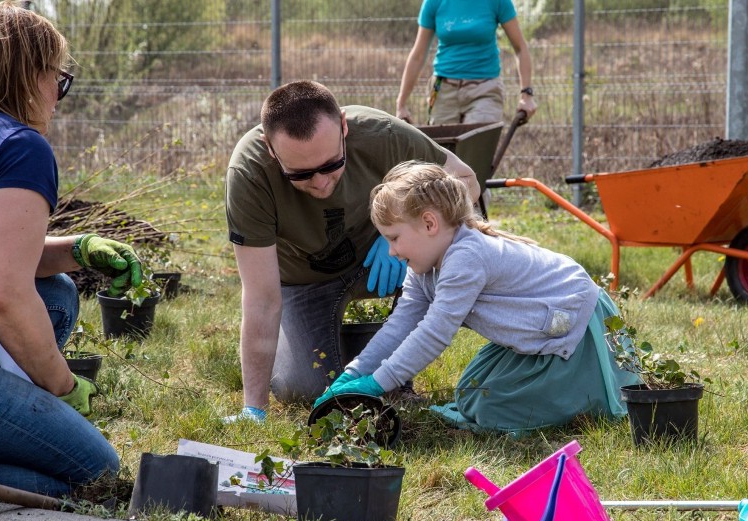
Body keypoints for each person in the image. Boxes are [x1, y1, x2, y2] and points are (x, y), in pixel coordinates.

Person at [314, 161, 642, 433]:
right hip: (540, 327)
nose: (392, 251)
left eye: (395, 238)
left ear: (429, 223)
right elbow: (400, 325)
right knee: (472, 393)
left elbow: (435, 332)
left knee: (494, 408)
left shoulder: (466, 257)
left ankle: (587, 393)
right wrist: (354, 374)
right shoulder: (425, 265)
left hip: (574, 325)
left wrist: (378, 384)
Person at [224, 80, 480, 422]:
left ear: (344, 127)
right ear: (270, 149)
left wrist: (403, 230)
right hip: (304, 279)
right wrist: (253, 407)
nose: (320, 182)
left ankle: (393, 372)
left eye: (331, 164)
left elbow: (466, 182)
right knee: (301, 388)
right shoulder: (248, 174)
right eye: (300, 174)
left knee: (446, 242)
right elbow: (261, 299)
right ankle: (361, 356)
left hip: (388, 259)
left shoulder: (383, 135)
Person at [0, 0, 143, 496]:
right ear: (29, 75)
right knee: (98, 474)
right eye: (58, 79)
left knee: (58, 292)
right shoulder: (19, 146)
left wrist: (79, 248)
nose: (58, 95)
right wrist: (63, 385)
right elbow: (4, 293)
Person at [395, 0, 537, 126]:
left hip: (484, 90)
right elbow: (418, 56)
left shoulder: (497, 2)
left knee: (474, 150)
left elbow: (520, 48)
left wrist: (526, 95)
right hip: (443, 91)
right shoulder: (434, 2)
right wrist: (401, 104)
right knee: (444, 154)